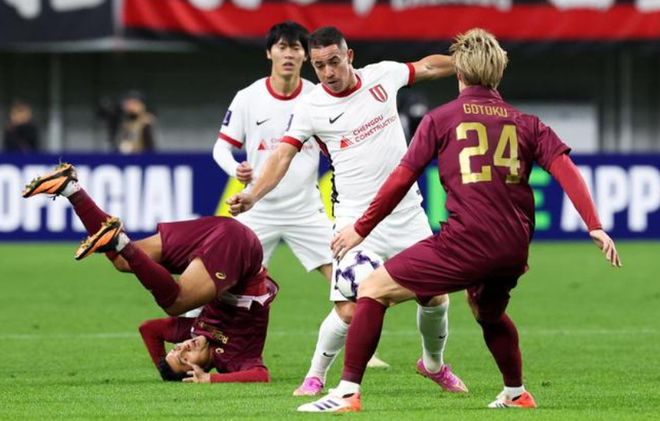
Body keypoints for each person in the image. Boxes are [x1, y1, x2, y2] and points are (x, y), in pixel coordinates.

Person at [298, 28, 622, 412]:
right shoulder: (527, 122)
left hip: (465, 243)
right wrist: (594, 224)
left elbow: (401, 179)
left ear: (460, 73)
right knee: (488, 312)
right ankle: (516, 393)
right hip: (513, 248)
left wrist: (360, 228)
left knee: (371, 290)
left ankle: (347, 392)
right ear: (498, 73)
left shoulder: (441, 119)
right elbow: (565, 168)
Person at [228, 26, 467, 395]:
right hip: (355, 222)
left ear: (349, 56)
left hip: (406, 214)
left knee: (436, 297)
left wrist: (466, 62)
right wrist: (253, 195)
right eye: (320, 66)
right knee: (349, 309)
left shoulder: (382, 76)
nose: (328, 72)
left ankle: (433, 364)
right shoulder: (310, 107)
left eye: (334, 62)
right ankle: (315, 376)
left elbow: (428, 67)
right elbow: (282, 155)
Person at [214, 22, 390, 395]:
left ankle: (364, 347)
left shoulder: (318, 96)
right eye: (282, 47)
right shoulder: (248, 97)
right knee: (219, 280)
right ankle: (201, 340)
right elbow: (221, 148)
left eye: (296, 48)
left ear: (304, 56)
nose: (290, 54)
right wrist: (235, 169)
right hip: (258, 211)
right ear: (270, 53)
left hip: (306, 210)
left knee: (350, 278)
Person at [22, 163, 278, 383]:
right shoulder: (233, 359)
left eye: (176, 350)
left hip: (215, 233)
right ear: (195, 371)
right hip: (241, 250)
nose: (183, 348)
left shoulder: (195, 331)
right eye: (185, 359)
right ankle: (122, 242)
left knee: (122, 261)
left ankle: (71, 189)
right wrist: (212, 379)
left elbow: (148, 329)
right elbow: (260, 375)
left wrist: (164, 367)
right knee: (176, 303)